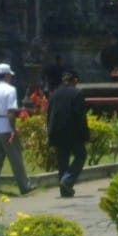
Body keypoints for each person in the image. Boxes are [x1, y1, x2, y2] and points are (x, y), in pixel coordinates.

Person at [0, 63, 36, 195]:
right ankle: (24, 185)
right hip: (5, 126)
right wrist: (13, 129)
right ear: (6, 75)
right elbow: (11, 112)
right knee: (15, 158)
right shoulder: (10, 90)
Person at [47, 69, 90, 197]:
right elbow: (80, 117)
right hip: (73, 132)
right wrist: (85, 134)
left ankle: (64, 189)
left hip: (57, 132)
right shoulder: (77, 94)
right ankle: (67, 180)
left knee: (62, 160)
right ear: (75, 81)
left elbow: (49, 114)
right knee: (81, 155)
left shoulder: (54, 94)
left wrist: (49, 131)